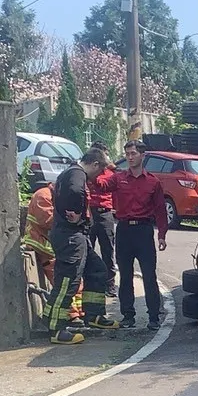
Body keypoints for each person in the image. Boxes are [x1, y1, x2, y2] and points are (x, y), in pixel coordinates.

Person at [42, 147, 120, 345]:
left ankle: (93, 315)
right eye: (100, 170)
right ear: (95, 164)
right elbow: (76, 192)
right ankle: (56, 328)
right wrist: (76, 212)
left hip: (76, 235)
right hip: (70, 236)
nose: (99, 177)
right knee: (69, 281)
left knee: (97, 269)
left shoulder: (69, 173)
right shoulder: (77, 174)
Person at [94, 141, 168, 330]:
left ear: (142, 155)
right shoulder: (118, 178)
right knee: (125, 276)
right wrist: (96, 166)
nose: (130, 157)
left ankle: (154, 317)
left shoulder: (153, 182)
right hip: (125, 231)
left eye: (133, 153)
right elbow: (100, 186)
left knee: (149, 275)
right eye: (127, 154)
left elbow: (160, 210)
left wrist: (162, 235)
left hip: (143, 231)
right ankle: (128, 315)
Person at [21, 180, 82, 324]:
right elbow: (48, 221)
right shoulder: (43, 196)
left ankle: (79, 312)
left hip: (53, 245)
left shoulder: (55, 196)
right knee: (62, 280)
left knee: (73, 278)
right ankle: (72, 315)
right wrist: (70, 219)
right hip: (42, 244)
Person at [86, 148, 118, 298]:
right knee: (87, 248)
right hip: (89, 211)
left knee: (108, 250)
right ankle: (88, 282)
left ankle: (110, 284)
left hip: (105, 213)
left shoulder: (110, 173)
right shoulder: (86, 173)